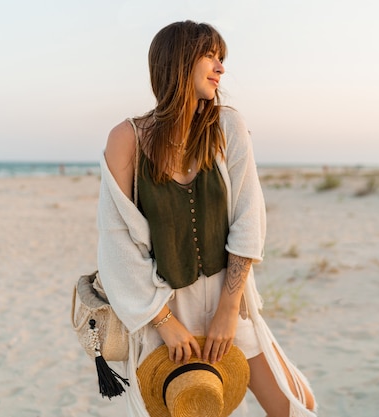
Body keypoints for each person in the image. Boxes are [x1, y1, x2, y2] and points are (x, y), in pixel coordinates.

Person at [97, 20, 317, 417]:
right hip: (161, 306)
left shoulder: (227, 126)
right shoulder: (126, 138)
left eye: (222, 59)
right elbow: (115, 242)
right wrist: (163, 322)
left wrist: (229, 309)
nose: (220, 68)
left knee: (297, 403)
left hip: (227, 298)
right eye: (210, 56)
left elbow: (250, 218)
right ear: (178, 62)